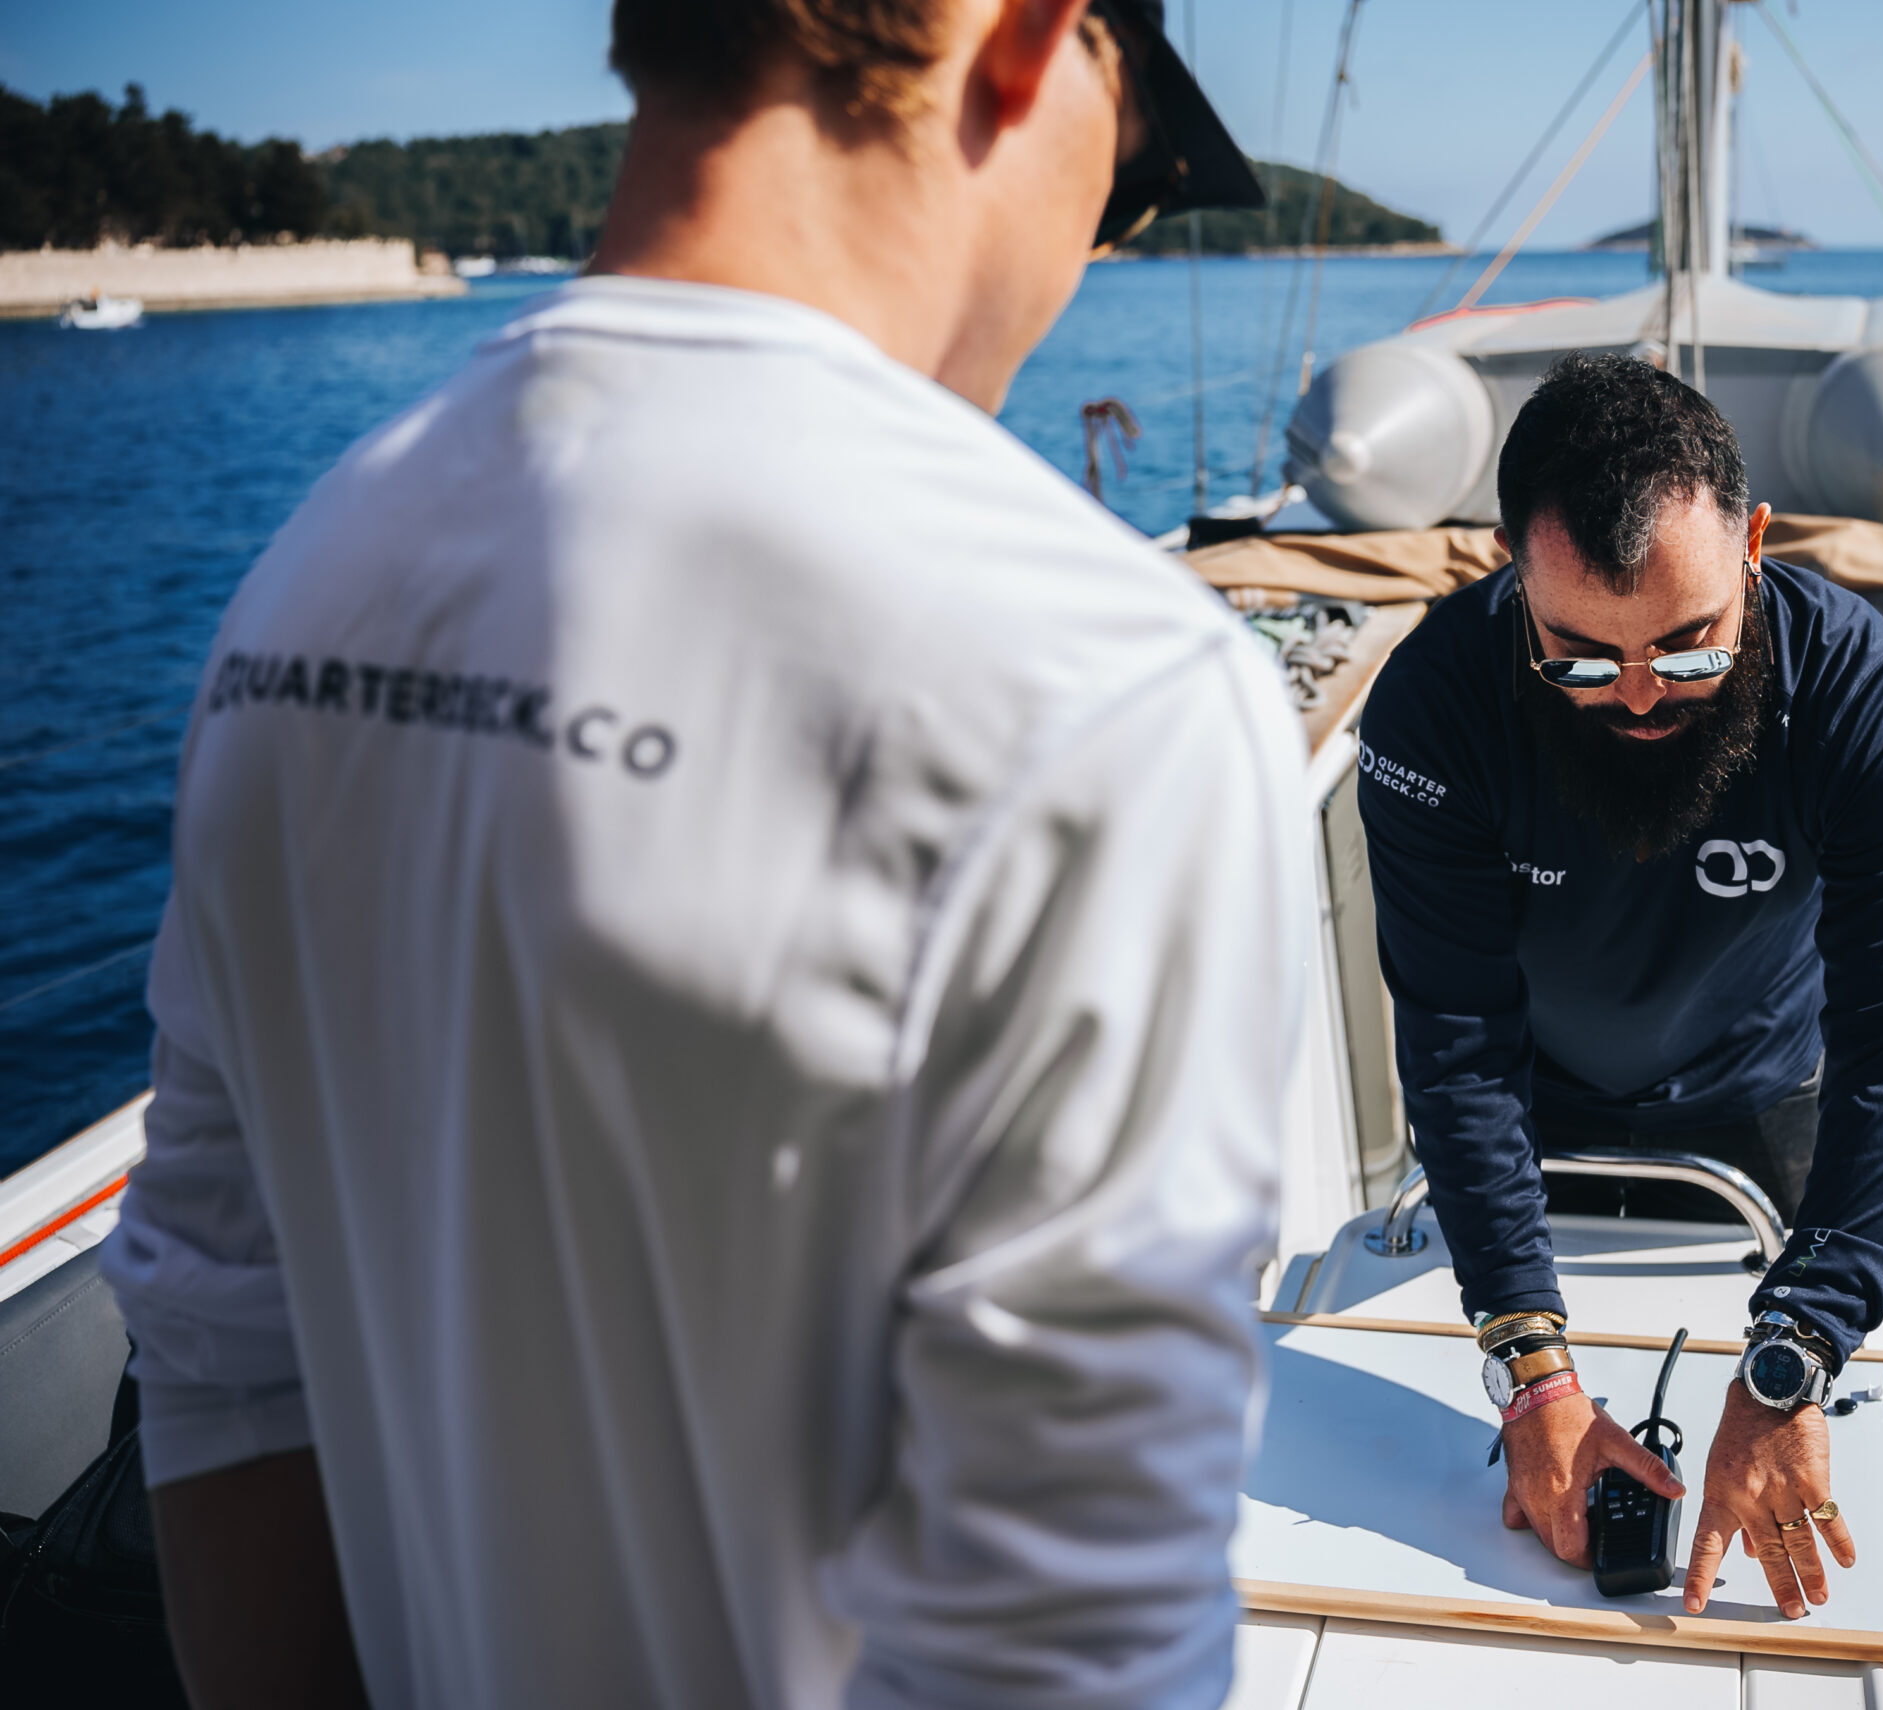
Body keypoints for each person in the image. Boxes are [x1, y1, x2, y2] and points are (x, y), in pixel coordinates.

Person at [98, 3, 1300, 1706]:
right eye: (1137, 167)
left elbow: (218, 1342)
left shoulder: (314, 575)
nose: (1102, 240)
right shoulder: (1103, 688)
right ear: (1028, 47)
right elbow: (1062, 1649)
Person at [1357, 353, 1883, 1621]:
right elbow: (1458, 1044)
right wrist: (1533, 1377)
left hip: (1763, 1111)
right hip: (1528, 1111)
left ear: (1754, 544)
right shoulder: (1432, 709)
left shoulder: (1866, 708)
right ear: (1511, 569)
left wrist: (1794, 1351)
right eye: (1579, 657)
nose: (1638, 696)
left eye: (1688, 651)